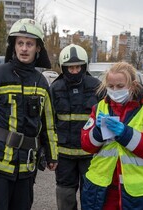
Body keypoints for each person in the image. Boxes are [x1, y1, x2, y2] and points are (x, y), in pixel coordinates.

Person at [0, 18, 58, 210]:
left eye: (30, 44)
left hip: (26, 169)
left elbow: (48, 123)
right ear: (14, 46)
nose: (24, 48)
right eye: (20, 43)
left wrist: (52, 155)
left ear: (38, 49)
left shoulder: (41, 83)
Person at [80, 62, 143, 210]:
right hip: (101, 189)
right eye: (110, 86)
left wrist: (125, 134)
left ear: (133, 85)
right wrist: (97, 133)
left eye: (120, 86)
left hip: (140, 191)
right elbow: (86, 145)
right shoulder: (99, 108)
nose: (114, 91)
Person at [50, 44, 103, 210]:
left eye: (77, 67)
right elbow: (48, 123)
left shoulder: (97, 87)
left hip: (91, 156)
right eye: (70, 67)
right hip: (64, 157)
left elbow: (107, 117)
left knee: (91, 196)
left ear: (84, 66)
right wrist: (49, 153)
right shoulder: (54, 88)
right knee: (65, 197)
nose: (74, 71)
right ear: (63, 67)